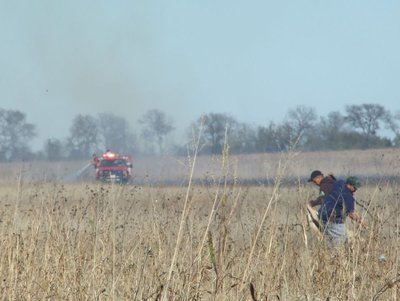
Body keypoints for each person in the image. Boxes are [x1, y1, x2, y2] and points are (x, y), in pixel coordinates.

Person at [318, 176, 365, 246]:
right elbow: (351, 214)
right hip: (333, 221)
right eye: (355, 188)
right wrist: (360, 220)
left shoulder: (339, 183)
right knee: (340, 242)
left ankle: (326, 253)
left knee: (330, 239)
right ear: (349, 185)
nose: (356, 190)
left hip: (322, 214)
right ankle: (334, 254)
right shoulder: (348, 197)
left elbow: (332, 181)